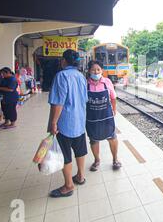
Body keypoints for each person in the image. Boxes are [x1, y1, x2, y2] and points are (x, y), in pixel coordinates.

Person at [47, 49, 88, 198]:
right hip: (79, 121)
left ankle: (69, 185)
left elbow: (58, 103)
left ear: (64, 61)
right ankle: (80, 176)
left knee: (65, 154)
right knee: (80, 149)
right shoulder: (81, 76)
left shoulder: (61, 76)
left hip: (64, 123)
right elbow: (84, 99)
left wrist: (53, 122)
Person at [86, 60, 121, 171]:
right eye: (93, 69)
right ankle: (97, 160)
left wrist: (114, 110)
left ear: (102, 71)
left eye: (98, 69)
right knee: (94, 140)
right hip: (92, 117)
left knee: (112, 137)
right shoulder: (85, 83)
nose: (96, 72)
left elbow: (113, 97)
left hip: (106, 116)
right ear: (89, 71)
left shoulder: (107, 82)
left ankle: (115, 160)